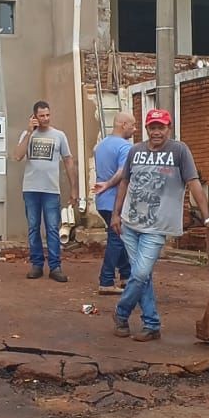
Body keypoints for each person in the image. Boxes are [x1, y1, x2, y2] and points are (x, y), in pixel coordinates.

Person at [102, 109, 209, 342]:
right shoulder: (135, 151)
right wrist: (116, 214)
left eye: (161, 127)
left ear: (169, 128)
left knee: (140, 273)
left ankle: (121, 313)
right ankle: (151, 324)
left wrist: (206, 217)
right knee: (142, 277)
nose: (157, 132)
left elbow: (194, 183)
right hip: (129, 223)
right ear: (146, 129)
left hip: (156, 227)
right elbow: (125, 182)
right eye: (152, 127)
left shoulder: (179, 151)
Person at [12, 100, 78, 283]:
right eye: (41, 116)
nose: (45, 118)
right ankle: (37, 264)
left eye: (48, 115)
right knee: (33, 228)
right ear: (34, 117)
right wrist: (28, 133)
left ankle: (55, 266)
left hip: (51, 190)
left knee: (52, 228)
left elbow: (68, 160)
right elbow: (17, 156)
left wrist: (74, 188)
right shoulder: (27, 135)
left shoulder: (59, 136)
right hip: (31, 188)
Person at [90, 112, 136, 295]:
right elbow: (122, 173)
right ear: (123, 124)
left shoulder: (100, 146)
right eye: (133, 125)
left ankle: (126, 275)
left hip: (102, 201)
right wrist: (109, 184)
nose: (134, 129)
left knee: (120, 239)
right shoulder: (126, 147)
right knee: (116, 240)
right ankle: (106, 280)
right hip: (116, 200)